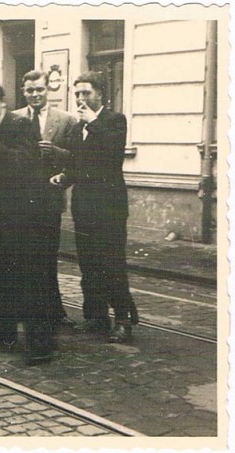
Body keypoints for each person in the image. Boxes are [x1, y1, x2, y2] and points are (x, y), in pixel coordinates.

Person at [0, 80, 61, 365]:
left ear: (1, 103)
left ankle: (40, 343)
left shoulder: (21, 125)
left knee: (29, 282)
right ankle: (0, 331)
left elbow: (26, 164)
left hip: (25, 220)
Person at [50, 71, 138, 343]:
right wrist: (64, 177)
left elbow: (112, 156)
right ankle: (96, 317)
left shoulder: (114, 121)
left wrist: (94, 122)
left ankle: (123, 320)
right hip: (84, 205)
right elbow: (78, 164)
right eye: (77, 93)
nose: (81, 99)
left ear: (100, 93)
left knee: (111, 262)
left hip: (109, 206)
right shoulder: (78, 127)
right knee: (88, 263)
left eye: (86, 93)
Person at [12, 70, 78, 327]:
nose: (35, 94)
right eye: (30, 90)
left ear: (47, 89)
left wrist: (56, 152)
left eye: (39, 89)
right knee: (23, 255)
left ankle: (54, 309)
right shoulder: (14, 118)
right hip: (21, 200)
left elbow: (76, 159)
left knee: (48, 255)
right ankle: (25, 309)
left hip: (49, 197)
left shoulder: (66, 120)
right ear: (23, 91)